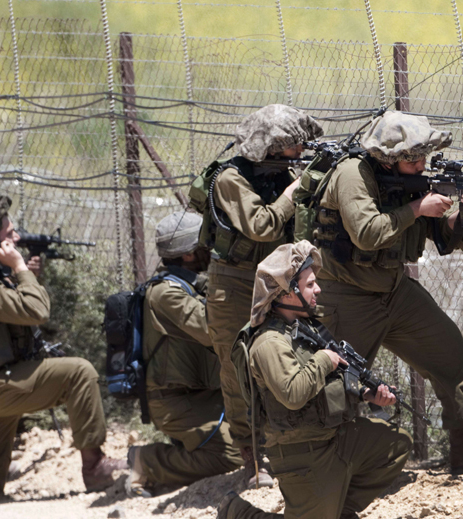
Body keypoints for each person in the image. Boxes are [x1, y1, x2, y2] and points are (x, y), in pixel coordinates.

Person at [310, 110, 463, 471]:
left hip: (394, 289)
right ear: (390, 159)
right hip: (347, 295)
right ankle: (323, 465)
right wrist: (417, 207)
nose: (423, 166)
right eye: (414, 160)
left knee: (450, 353)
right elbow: (367, 232)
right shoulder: (353, 175)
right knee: (336, 386)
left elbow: (443, 236)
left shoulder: (412, 182)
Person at [0, 194, 125, 510]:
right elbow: (36, 310)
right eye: (9, 235)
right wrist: (21, 268)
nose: (17, 238)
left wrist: (25, 276)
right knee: (79, 373)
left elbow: (13, 313)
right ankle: (95, 466)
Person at [218, 240, 411, 519]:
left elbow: (330, 383)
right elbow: (293, 394)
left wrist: (366, 394)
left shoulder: (305, 328)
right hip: (301, 451)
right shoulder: (268, 343)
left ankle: (337, 511)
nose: (318, 289)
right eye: (309, 285)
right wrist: (324, 359)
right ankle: (237, 512)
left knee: (395, 444)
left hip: (334, 435)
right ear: (286, 291)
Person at [198, 104, 322, 486]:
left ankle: (299, 445)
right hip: (234, 284)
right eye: (291, 147)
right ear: (271, 146)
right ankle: (252, 458)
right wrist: (293, 191)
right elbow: (262, 225)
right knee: (239, 372)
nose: (298, 155)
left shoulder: (283, 173)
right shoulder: (230, 179)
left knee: (291, 356)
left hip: (275, 279)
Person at [126, 212, 242, 497]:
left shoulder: (191, 284)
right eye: (206, 243)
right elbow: (212, 329)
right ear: (190, 255)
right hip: (176, 401)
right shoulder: (166, 294)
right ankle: (148, 461)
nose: (212, 249)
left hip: (205, 395)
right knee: (231, 457)